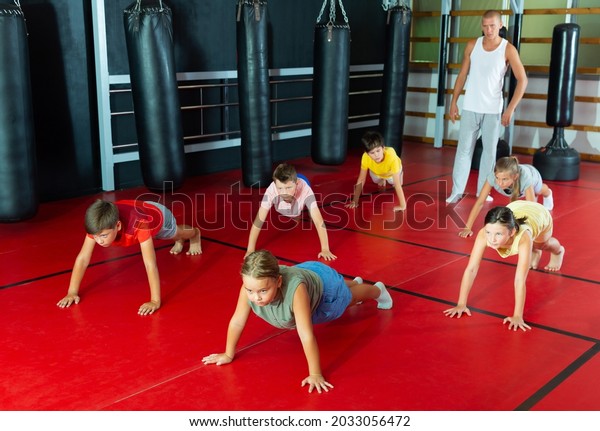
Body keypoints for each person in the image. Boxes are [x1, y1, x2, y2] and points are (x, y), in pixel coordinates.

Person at [202, 250, 393, 393]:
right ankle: (352, 283)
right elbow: (237, 321)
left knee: (348, 299)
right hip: (307, 277)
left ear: (277, 282)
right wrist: (228, 353)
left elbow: (306, 334)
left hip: (324, 290)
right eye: (250, 290)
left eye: (262, 291)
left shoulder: (296, 291)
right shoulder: (250, 287)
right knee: (346, 290)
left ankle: (377, 290)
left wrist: (315, 373)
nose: (256, 297)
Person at [57, 199, 201, 315]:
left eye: (103, 236)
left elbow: (150, 264)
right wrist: (72, 292)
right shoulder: (98, 226)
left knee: (173, 234)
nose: (99, 241)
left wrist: (155, 301)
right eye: (95, 236)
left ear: (118, 226)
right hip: (137, 209)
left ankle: (195, 234)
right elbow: (83, 259)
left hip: (157, 215)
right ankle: (181, 240)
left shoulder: (140, 225)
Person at [446, 10, 528, 204]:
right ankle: (457, 191)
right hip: (470, 107)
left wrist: (510, 109)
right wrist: (453, 102)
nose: (488, 29)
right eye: (485, 25)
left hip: (493, 110)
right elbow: (462, 75)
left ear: (500, 25)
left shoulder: (508, 49)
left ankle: (482, 192)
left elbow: (522, 80)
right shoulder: (472, 45)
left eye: (492, 25)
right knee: (464, 150)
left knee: (489, 154)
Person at [444, 201, 565, 331]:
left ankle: (558, 251)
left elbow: (520, 279)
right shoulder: (484, 234)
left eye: (498, 234)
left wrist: (517, 315)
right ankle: (533, 251)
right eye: (489, 232)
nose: (492, 239)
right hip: (516, 208)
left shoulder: (523, 237)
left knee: (541, 244)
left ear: (512, 232)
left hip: (538, 214)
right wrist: (461, 303)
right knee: (531, 247)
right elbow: (472, 268)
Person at [246, 163, 336, 261]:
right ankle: (295, 211)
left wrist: (325, 249)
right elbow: (258, 221)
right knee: (293, 211)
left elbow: (319, 222)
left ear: (296, 184)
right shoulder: (271, 191)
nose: (284, 192)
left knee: (310, 213)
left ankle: (300, 211)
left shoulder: (305, 190)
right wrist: (250, 249)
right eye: (280, 188)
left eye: (288, 188)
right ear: (275, 184)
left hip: (302, 183)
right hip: (292, 191)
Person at [458, 157, 554, 238]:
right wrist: (467, 227)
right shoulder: (492, 177)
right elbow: (480, 202)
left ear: (515, 177)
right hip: (516, 185)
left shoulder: (526, 178)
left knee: (539, 191)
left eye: (504, 179)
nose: (500, 183)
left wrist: (530, 233)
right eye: (497, 178)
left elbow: (531, 208)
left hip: (533, 176)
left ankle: (548, 193)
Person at [345, 130, 406, 212]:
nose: (376, 155)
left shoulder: (392, 157)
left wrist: (403, 205)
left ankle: (400, 173)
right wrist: (355, 201)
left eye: (378, 151)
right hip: (377, 171)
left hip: (391, 172)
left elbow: (398, 184)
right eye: (372, 153)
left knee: (395, 183)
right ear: (367, 153)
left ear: (383, 148)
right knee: (375, 180)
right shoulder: (365, 157)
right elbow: (361, 179)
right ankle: (382, 179)